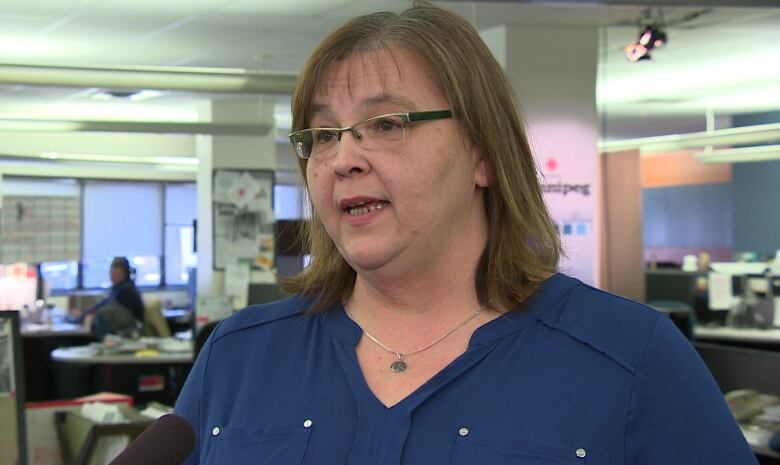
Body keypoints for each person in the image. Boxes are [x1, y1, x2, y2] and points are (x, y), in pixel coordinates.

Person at [175, 3, 757, 464]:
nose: (342, 157)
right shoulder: (238, 356)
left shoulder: (633, 360)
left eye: (386, 123)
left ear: (483, 153)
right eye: (322, 135)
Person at [80, 256, 145, 338]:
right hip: (122, 325)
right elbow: (104, 303)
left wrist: (88, 314)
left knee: (102, 314)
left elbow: (107, 306)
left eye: (113, 273)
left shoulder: (126, 289)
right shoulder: (118, 288)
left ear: (122, 273)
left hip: (131, 328)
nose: (111, 276)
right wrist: (85, 313)